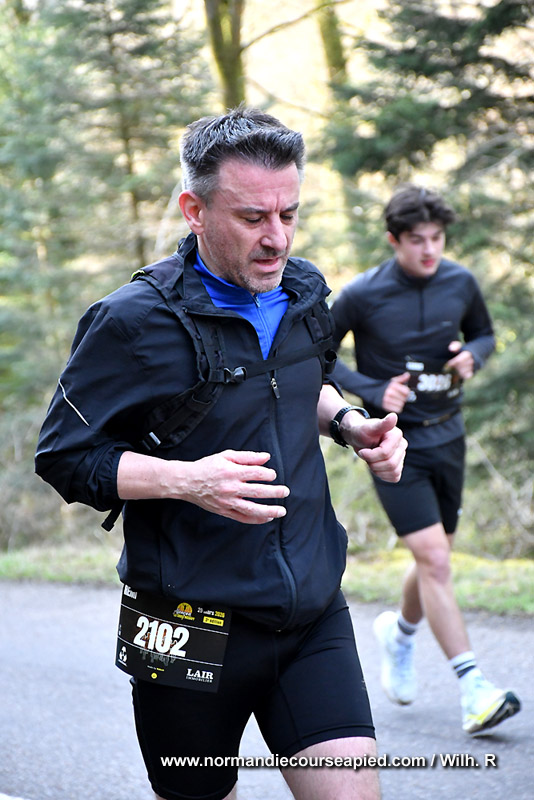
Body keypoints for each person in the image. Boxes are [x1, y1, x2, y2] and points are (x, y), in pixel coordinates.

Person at [35, 107, 407, 800]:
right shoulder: (130, 322)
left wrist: (350, 424)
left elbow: (303, 381)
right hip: (180, 623)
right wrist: (187, 480)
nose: (277, 238)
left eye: (289, 214)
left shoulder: (303, 292)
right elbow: (64, 456)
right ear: (195, 211)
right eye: (252, 217)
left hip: (309, 611)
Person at [330, 184, 521, 735]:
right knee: (435, 560)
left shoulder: (460, 281)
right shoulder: (362, 294)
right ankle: (474, 688)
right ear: (394, 240)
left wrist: (473, 356)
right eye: (417, 240)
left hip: (449, 435)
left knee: (436, 557)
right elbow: (318, 356)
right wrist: (372, 389)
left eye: (437, 238)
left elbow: (483, 334)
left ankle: (400, 635)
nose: (430, 249)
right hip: (393, 442)